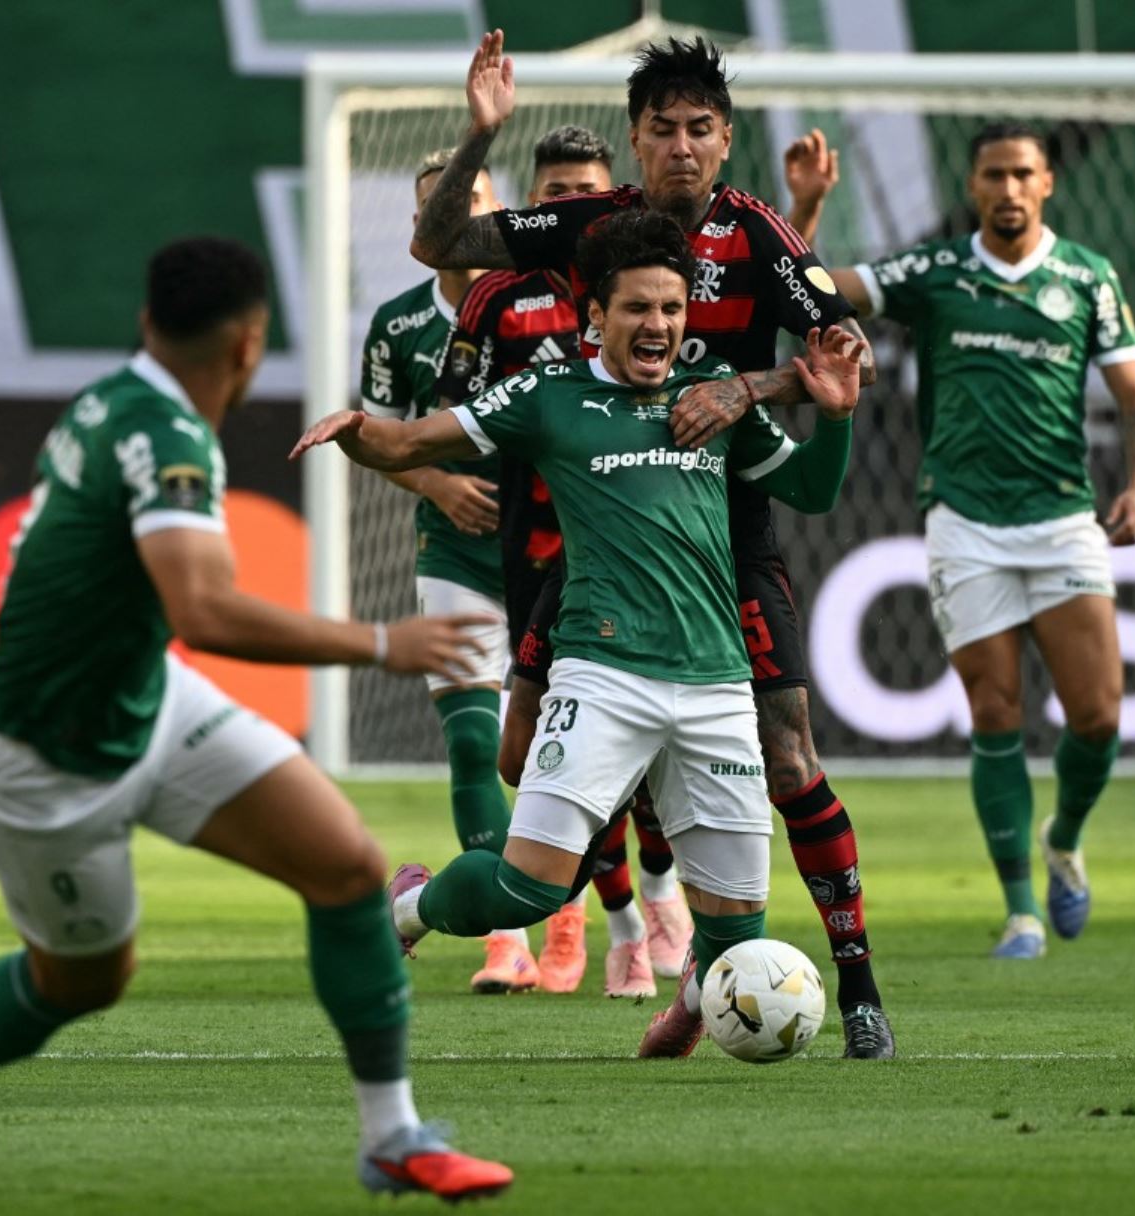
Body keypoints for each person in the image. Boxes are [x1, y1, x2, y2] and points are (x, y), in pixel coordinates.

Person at [0, 237, 511, 1203]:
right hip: (42, 762)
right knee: (85, 981)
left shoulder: (120, 398)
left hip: (144, 698)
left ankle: (392, 1138)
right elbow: (205, 611)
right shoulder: (167, 435)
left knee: (346, 868)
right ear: (251, 346)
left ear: (148, 322)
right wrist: (386, 644)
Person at [409, 30, 895, 1059]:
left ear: (725, 143)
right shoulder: (590, 225)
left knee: (791, 755)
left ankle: (853, 988)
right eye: (662, 128)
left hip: (726, 529)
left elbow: (836, 350)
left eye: (700, 129)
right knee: (517, 759)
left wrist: (746, 387)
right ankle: (617, 928)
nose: (681, 146)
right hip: (589, 532)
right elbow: (440, 241)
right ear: (636, 140)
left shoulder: (759, 235)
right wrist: (479, 134)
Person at [292, 210, 864, 1059]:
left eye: (672, 309)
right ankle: (409, 906)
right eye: (638, 308)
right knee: (527, 888)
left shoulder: (711, 397)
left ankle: (691, 1007)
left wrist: (839, 416)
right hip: (601, 676)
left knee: (738, 927)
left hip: (716, 684)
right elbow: (414, 439)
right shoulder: (548, 395)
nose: (660, 326)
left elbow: (813, 492)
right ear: (595, 313)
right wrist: (358, 436)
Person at [828, 122, 1135, 961]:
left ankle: (1065, 835)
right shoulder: (936, 271)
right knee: (996, 712)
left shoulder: (1087, 277)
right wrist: (798, 212)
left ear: (1047, 182)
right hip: (965, 523)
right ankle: (1020, 911)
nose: (1008, 189)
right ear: (973, 186)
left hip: (1061, 518)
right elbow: (826, 287)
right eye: (992, 175)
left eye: (1023, 173)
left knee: (1099, 714)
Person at [435, 123, 685, 1000]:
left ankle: (655, 898)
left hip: (643, 557)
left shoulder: (647, 298)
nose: (569, 208)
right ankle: (612, 926)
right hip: (539, 557)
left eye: (586, 191)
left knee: (659, 758)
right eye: (553, 197)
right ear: (533, 210)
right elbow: (456, 413)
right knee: (547, 756)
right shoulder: (494, 299)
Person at [362, 148, 588, 997]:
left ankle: (568, 910)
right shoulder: (397, 323)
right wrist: (439, 484)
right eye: (436, 210)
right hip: (457, 546)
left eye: (467, 206)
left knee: (555, 740)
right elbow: (383, 437)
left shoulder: (557, 299)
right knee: (470, 738)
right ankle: (506, 938)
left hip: (555, 546)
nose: (452, 223)